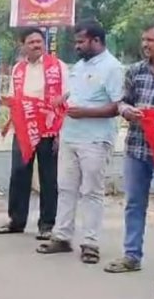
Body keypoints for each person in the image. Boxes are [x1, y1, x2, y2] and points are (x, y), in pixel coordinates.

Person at [37, 19, 123, 264]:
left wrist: (86, 112)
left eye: (81, 41)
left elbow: (118, 105)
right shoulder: (79, 66)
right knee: (65, 188)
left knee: (91, 192)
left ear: (96, 40)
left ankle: (90, 243)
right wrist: (63, 97)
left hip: (95, 140)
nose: (77, 46)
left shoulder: (112, 67)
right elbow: (78, 93)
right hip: (70, 136)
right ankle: (61, 236)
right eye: (76, 41)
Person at [103, 25, 154, 283]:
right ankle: (131, 255)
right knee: (134, 203)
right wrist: (127, 110)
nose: (145, 44)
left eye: (150, 39)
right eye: (143, 39)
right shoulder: (135, 70)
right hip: (137, 146)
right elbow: (123, 101)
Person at [0, 28, 68, 239]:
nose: (36, 45)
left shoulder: (58, 66)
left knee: (48, 177)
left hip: (49, 128)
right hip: (24, 128)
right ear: (23, 45)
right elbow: (14, 96)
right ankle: (16, 220)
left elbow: (67, 95)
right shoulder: (18, 68)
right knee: (19, 174)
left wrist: (60, 130)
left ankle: (47, 224)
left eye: (39, 41)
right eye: (31, 42)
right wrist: (7, 101)